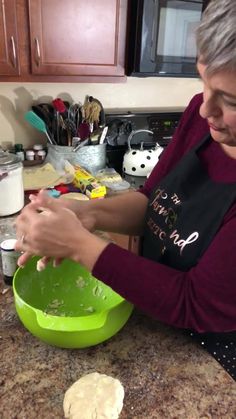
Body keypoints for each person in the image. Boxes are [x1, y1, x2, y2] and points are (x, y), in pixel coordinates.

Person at [15, 0, 236, 381]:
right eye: (202, 82)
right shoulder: (202, 118)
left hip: (212, 359)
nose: (204, 109)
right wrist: (85, 215)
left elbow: (196, 303)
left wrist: (76, 245)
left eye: (230, 100)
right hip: (156, 314)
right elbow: (152, 202)